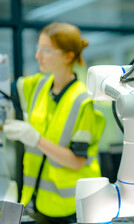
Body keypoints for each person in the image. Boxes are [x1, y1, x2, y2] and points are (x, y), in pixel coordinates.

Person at [3, 22, 106, 224]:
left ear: (68, 56)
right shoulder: (38, 85)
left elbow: (77, 161)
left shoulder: (83, 102)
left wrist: (35, 139)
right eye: (38, 48)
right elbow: (6, 89)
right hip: (41, 203)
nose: (37, 56)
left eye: (46, 50)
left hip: (75, 207)